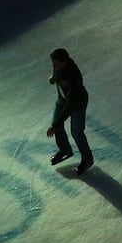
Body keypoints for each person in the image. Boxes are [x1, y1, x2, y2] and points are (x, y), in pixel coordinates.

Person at [47, 47, 94, 175]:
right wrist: (53, 78)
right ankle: (65, 150)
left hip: (76, 104)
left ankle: (87, 159)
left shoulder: (74, 78)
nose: (53, 65)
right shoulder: (59, 65)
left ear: (64, 62)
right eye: (53, 63)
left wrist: (55, 124)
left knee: (76, 132)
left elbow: (69, 106)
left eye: (55, 64)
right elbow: (56, 72)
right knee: (57, 127)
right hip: (62, 101)